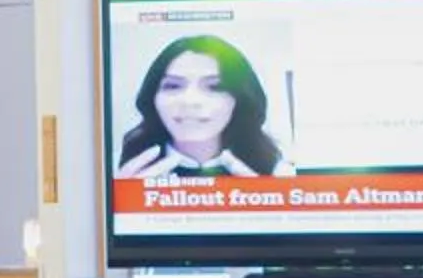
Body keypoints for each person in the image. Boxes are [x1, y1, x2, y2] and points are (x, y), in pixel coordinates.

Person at [115, 35, 292, 180]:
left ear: (240, 98)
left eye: (214, 87)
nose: (190, 101)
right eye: (173, 86)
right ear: (152, 97)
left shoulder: (280, 174)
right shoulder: (117, 170)